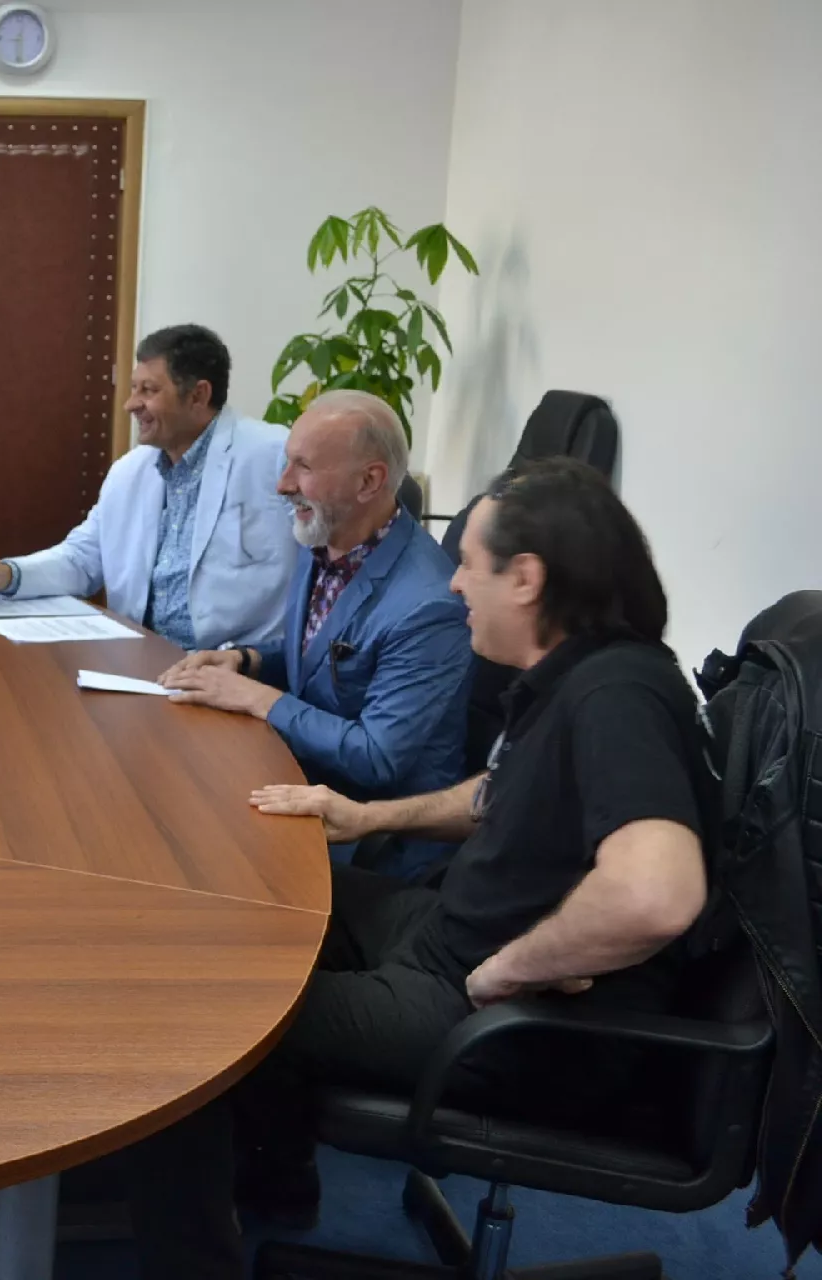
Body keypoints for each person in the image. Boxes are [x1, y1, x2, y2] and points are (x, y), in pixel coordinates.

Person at [118, 458, 717, 1277]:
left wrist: (513, 968)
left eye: (469, 564)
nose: (454, 584)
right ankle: (275, 1181)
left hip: (506, 1016)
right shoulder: (576, 672)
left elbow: (656, 893)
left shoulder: (618, 695)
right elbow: (500, 793)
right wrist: (368, 817)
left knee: (188, 1022)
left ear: (527, 578)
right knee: (263, 896)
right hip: (450, 933)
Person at [159, 390, 471, 876]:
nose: (283, 484)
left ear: (369, 481)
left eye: (302, 467)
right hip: (301, 787)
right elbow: (321, 653)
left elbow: (376, 757)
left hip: (374, 847)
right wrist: (247, 661)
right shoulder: (326, 537)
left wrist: (256, 697)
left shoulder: (428, 606)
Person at [0, 324, 298, 650]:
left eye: (149, 390)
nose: (131, 404)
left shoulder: (275, 456)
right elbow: (82, 559)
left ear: (198, 395)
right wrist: (7, 574)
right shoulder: (130, 470)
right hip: (138, 658)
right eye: (133, 388)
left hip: (234, 667)